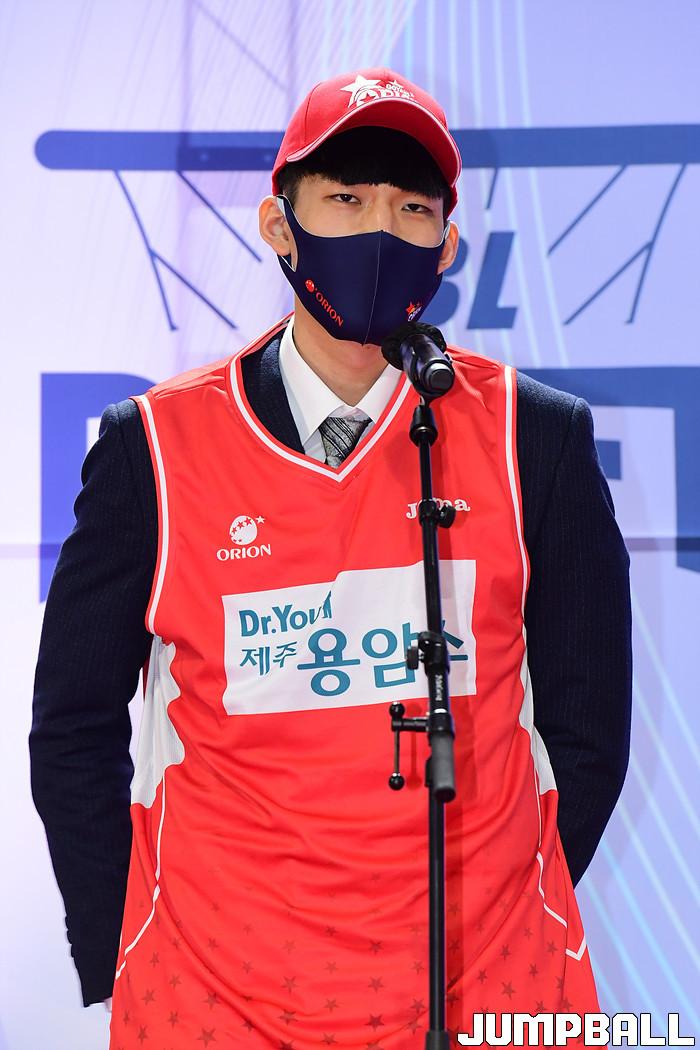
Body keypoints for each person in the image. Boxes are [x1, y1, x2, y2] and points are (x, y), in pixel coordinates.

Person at [30, 67, 631, 1047]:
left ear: (447, 243)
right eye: (345, 199)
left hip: (486, 979)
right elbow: (72, 725)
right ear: (280, 224)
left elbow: (589, 727)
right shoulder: (154, 449)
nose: (379, 230)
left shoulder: (536, 437)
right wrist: (118, 945)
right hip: (217, 992)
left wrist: (511, 907)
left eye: (411, 208)